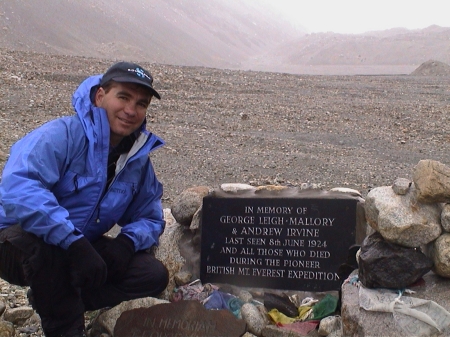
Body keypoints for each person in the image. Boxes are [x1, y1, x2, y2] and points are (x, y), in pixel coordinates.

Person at [0, 62, 169, 337]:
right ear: (100, 96)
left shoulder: (136, 160)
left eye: (141, 103)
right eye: (123, 97)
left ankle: (56, 298)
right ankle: (65, 327)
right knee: (50, 252)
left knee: (151, 275)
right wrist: (73, 241)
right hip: (13, 239)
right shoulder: (62, 135)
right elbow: (19, 187)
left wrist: (127, 243)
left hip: (77, 245)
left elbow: (149, 215)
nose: (131, 110)